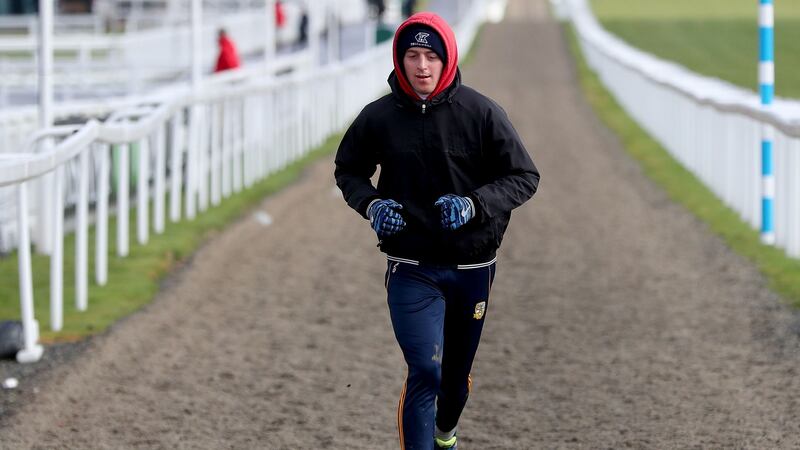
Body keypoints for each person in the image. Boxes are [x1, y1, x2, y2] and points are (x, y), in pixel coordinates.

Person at [334, 12, 539, 450]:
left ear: (447, 60)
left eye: (431, 56)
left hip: (472, 268)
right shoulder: (378, 117)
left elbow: (524, 176)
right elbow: (348, 170)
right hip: (412, 267)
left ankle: (446, 432)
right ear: (400, 59)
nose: (422, 65)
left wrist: (474, 205)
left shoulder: (482, 113)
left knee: (453, 382)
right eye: (412, 55)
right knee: (425, 369)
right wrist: (372, 206)